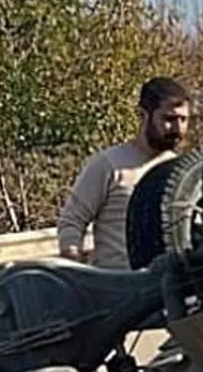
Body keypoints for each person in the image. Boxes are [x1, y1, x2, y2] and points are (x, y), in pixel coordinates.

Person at [57, 77, 191, 268]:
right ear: (143, 115)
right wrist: (74, 266)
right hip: (117, 280)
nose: (178, 128)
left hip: (167, 280)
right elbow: (72, 221)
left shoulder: (182, 171)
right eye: (169, 119)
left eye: (183, 119)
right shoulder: (108, 164)